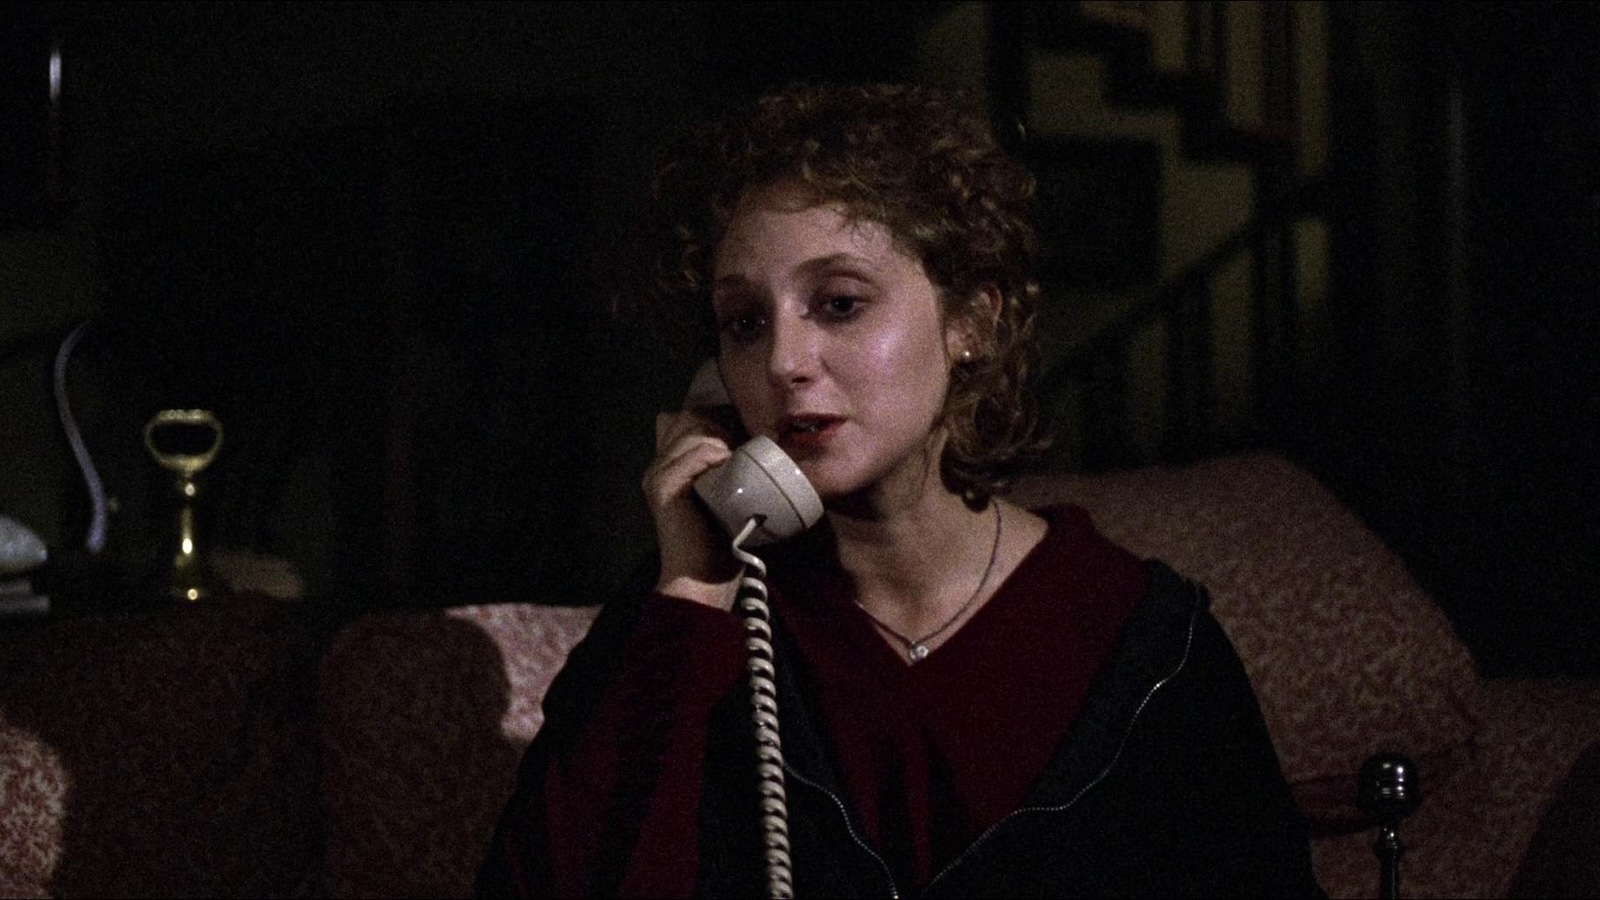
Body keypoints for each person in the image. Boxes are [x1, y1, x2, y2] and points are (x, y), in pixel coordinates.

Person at [476, 82, 1322, 898]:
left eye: (840, 303)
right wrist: (694, 596)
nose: (782, 362)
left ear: (973, 322)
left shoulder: (1144, 641)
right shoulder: (696, 617)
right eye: (744, 322)